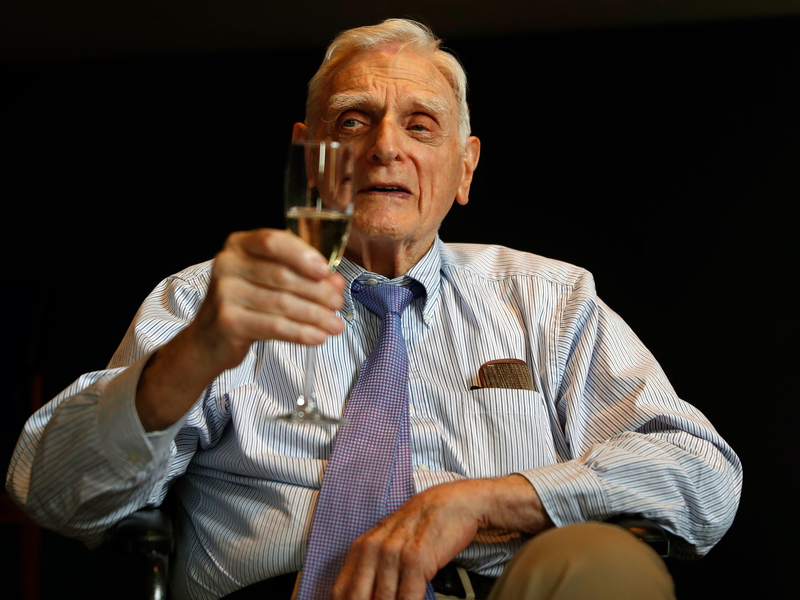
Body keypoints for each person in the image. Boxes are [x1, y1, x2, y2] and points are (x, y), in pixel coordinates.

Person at [6, 18, 742, 600]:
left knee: (603, 563)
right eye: (353, 121)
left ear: (465, 167)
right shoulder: (209, 300)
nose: (385, 147)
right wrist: (194, 357)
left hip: (497, 588)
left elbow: (702, 475)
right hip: (275, 590)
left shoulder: (549, 300)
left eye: (421, 126)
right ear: (308, 154)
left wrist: (486, 502)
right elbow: (51, 492)